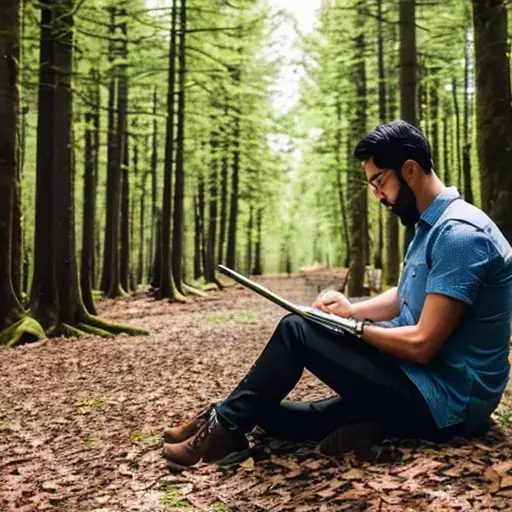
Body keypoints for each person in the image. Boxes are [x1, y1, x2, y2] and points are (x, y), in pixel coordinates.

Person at [162, 120, 512, 470]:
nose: (378, 196)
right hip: (416, 381)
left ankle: (223, 432)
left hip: (447, 405)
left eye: (379, 181)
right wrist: (350, 310)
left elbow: (422, 344)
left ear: (409, 170)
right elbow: (406, 294)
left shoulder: (460, 236)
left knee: (296, 330)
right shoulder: (430, 225)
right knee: (283, 418)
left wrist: (355, 330)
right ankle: (224, 415)